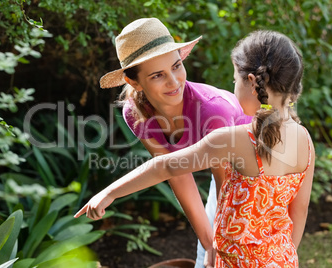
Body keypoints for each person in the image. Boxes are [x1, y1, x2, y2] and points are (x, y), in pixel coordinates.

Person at [76, 29, 315, 266]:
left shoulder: (226, 134)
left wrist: (109, 193)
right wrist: (283, 256)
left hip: (235, 228)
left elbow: (169, 168)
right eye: (157, 75)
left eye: (234, 80)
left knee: (209, 254)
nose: (172, 80)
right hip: (277, 255)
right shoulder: (305, 141)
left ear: (252, 82)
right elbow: (299, 210)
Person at [98, 17, 251, 267]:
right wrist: (209, 243)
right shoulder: (136, 112)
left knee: (234, 254)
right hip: (226, 177)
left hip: (260, 171)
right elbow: (176, 173)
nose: (174, 81)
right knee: (209, 255)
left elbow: (229, 186)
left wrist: (220, 243)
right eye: (158, 75)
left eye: (177, 66)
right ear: (133, 82)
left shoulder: (213, 111)